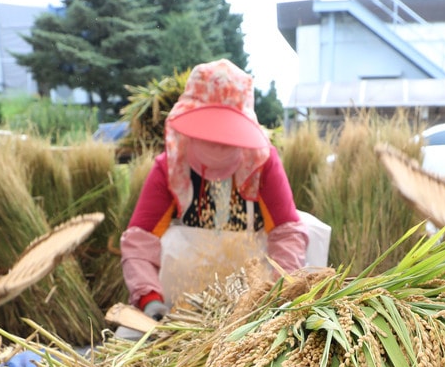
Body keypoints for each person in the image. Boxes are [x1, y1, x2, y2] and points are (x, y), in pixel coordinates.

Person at [120, 59, 308, 320]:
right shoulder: (171, 169)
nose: (218, 146)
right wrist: (150, 300)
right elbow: (139, 241)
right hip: (182, 309)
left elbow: (287, 235)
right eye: (209, 136)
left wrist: (275, 295)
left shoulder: (262, 165)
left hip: (253, 304)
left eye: (227, 137)